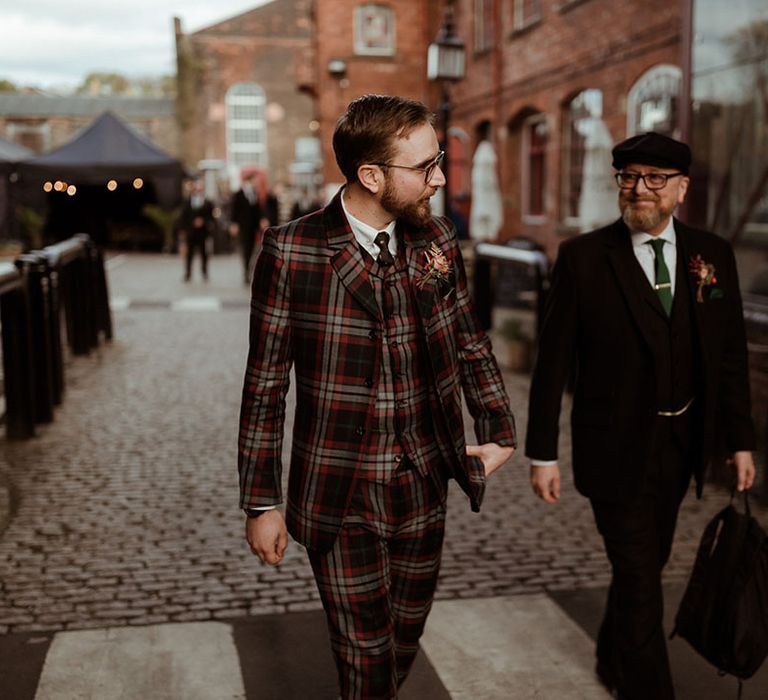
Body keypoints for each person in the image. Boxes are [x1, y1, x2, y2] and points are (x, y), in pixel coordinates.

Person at [238, 94, 516, 699]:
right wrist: (262, 502)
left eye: (438, 161)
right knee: (364, 656)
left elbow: (469, 339)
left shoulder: (437, 238)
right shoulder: (292, 250)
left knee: (402, 642)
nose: (440, 178)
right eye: (425, 167)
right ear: (372, 175)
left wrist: (498, 428)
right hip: (340, 492)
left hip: (426, 479)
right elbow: (265, 385)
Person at [526, 132, 756, 700]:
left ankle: (610, 654)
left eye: (655, 178)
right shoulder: (583, 258)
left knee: (645, 567)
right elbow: (552, 361)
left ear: (681, 188)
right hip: (614, 446)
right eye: (628, 177)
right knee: (637, 574)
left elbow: (729, 359)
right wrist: (542, 453)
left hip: (682, 443)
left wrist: (739, 441)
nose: (639, 189)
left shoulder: (711, 255)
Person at [177, 178, 215, 282]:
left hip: (203, 233)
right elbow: (184, 216)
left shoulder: (208, 202)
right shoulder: (187, 201)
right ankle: (188, 273)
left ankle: (204, 272)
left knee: (204, 253)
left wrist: (203, 221)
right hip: (191, 232)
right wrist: (183, 229)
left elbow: (212, 217)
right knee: (189, 254)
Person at [230, 171, 263, 284]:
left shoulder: (254, 193)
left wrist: (262, 220)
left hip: (254, 227)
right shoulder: (239, 194)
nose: (257, 183)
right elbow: (234, 210)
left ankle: (248, 270)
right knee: (245, 248)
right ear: (249, 181)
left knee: (252, 248)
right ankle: (246, 271)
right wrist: (234, 224)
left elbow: (258, 210)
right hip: (243, 226)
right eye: (255, 180)